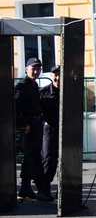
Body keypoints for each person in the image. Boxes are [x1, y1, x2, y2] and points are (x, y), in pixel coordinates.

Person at [15, 58, 53, 202]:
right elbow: (16, 107)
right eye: (33, 69)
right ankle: (42, 189)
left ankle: (25, 187)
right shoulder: (22, 86)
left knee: (29, 157)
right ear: (26, 69)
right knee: (35, 158)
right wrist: (23, 124)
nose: (36, 72)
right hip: (29, 125)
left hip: (36, 123)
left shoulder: (33, 84)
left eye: (38, 69)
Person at [40, 65, 61, 193]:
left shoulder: (70, 91)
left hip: (66, 130)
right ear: (51, 75)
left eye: (60, 74)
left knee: (66, 160)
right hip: (50, 130)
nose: (58, 77)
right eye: (55, 74)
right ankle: (45, 188)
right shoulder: (44, 92)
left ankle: (65, 190)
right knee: (49, 160)